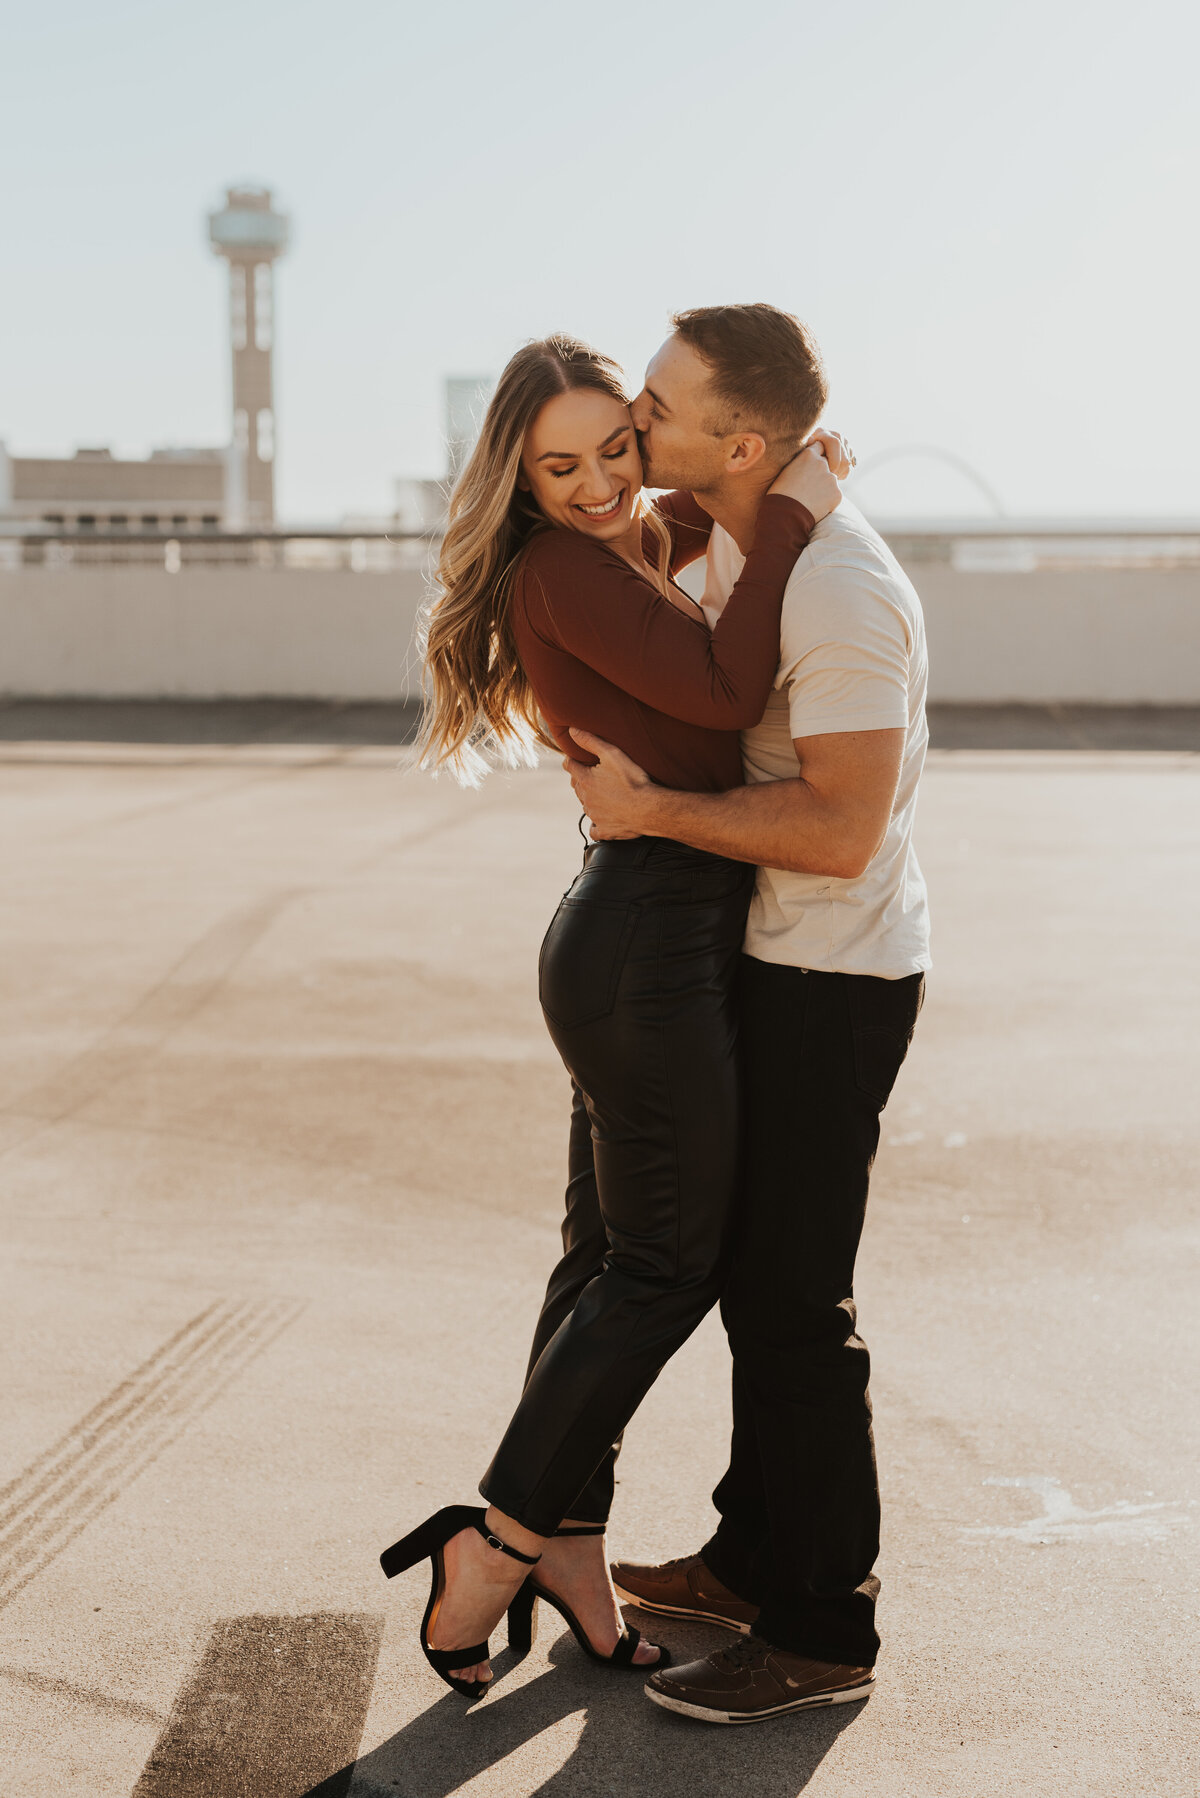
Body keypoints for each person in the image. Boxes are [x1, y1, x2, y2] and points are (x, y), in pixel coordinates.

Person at [378, 333, 846, 1701]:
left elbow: (701, 495)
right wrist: (798, 518)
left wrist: (750, 483)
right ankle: (496, 1536)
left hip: (638, 928)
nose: (596, 484)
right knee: (664, 1267)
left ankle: (572, 1544)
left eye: (615, 450)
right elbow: (723, 692)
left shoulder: (634, 532)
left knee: (603, 1264)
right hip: (648, 944)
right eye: (559, 465)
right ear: (518, 479)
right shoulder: (561, 569)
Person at [564, 303, 931, 1724]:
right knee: (749, 1283)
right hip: (768, 959)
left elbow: (841, 827)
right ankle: (749, 1554)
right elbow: (642, 499)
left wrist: (652, 809)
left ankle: (824, 1622)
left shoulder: (838, 586)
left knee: (792, 1304)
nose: (633, 426)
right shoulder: (739, 531)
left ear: (746, 439)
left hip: (829, 976)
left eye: (657, 405)